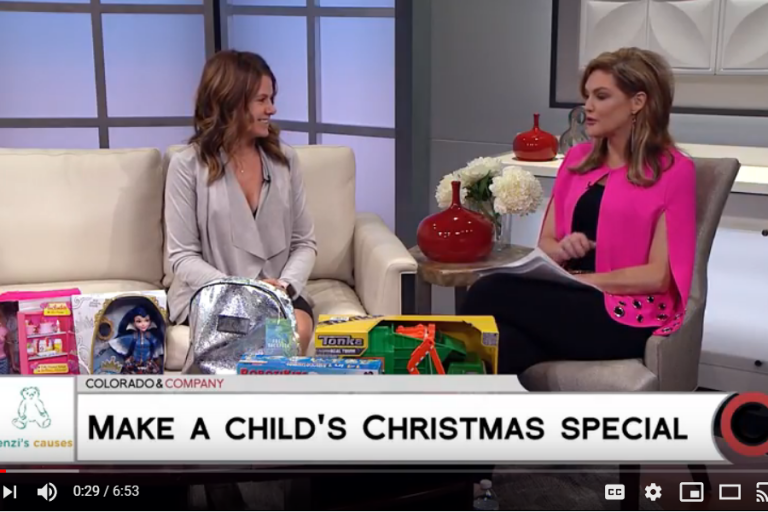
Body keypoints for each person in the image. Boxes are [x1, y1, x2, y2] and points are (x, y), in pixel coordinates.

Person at [460, 47, 697, 376]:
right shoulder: (577, 159)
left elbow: (658, 276)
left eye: (601, 96)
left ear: (638, 102)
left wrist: (582, 282)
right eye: (587, 96)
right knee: (502, 344)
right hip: (570, 300)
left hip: (627, 313)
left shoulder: (674, 171)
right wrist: (561, 250)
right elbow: (546, 244)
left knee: (489, 291)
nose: (588, 106)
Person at [164, 50, 317, 354]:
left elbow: (304, 242)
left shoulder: (285, 160)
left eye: (271, 98)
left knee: (294, 330)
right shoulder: (187, 166)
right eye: (262, 100)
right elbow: (182, 256)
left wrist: (284, 286)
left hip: (277, 292)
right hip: (215, 293)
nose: (272, 109)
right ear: (231, 102)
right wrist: (245, 291)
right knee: (254, 333)